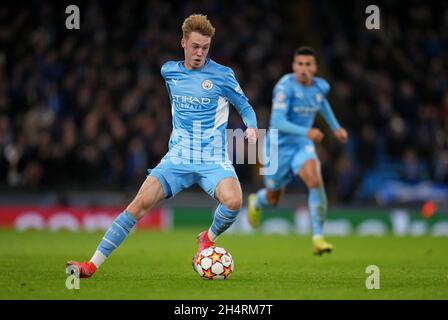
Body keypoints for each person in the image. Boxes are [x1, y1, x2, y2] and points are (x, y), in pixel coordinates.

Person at [67, 14, 258, 278]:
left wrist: (250, 127)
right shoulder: (169, 71)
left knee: (234, 201)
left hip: (212, 158)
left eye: (205, 47)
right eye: (195, 46)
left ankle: (207, 237)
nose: (200, 52)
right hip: (178, 157)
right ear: (183, 43)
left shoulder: (223, 75)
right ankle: (90, 266)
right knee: (137, 205)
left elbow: (245, 106)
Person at [247, 46, 348, 255]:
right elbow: (277, 121)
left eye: (308, 64)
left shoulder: (321, 87)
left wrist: (335, 127)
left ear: (315, 67)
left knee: (314, 180)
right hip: (277, 146)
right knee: (274, 198)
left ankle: (318, 237)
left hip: (302, 145)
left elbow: (321, 104)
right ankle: (257, 200)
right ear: (293, 66)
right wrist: (307, 130)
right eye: (299, 64)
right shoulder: (285, 87)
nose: (303, 69)